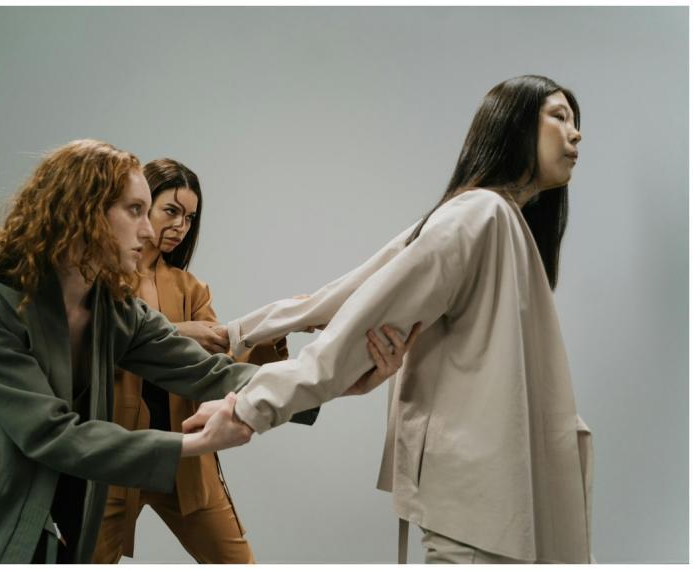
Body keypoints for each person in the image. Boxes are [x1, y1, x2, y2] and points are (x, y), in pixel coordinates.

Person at [0, 140, 406, 564]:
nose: (152, 231)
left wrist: (332, 383)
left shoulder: (114, 310)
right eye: (136, 210)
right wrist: (193, 443)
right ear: (83, 212)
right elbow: (51, 434)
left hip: (44, 528)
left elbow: (209, 373)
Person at [186, 75, 594, 563]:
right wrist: (250, 405)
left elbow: (352, 291)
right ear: (514, 124)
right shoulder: (479, 216)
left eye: (576, 121)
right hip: (481, 496)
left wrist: (242, 334)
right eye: (559, 116)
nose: (576, 134)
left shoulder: (492, 219)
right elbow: (361, 315)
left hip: (497, 486)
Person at [92, 158, 410, 563]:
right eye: (170, 210)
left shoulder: (190, 286)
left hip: (186, 459)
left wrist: (275, 329)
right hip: (117, 460)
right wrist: (189, 332)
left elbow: (220, 364)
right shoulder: (103, 278)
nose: (180, 226)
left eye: (189, 217)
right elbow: (98, 346)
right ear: (140, 206)